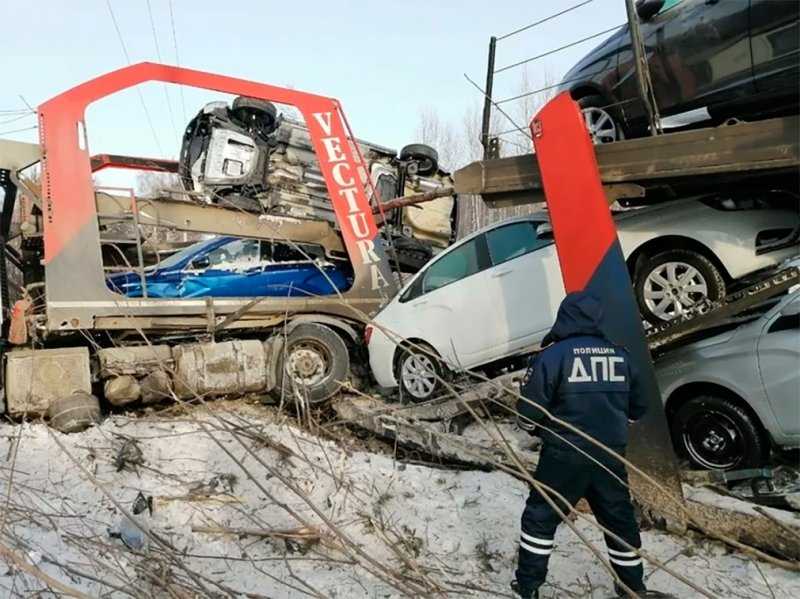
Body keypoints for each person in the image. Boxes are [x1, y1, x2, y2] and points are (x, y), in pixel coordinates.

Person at [512, 291, 650, 599]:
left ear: (565, 317)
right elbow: (639, 407)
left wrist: (531, 428)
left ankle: (529, 586)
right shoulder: (620, 356)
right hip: (610, 456)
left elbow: (529, 411)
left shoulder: (553, 355)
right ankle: (632, 587)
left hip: (564, 456)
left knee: (540, 518)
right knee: (619, 522)